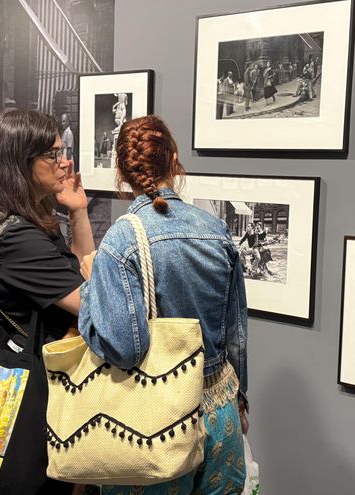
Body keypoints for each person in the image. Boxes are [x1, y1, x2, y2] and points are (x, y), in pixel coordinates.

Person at [78, 115, 248, 494]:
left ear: (120, 172)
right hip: (219, 410)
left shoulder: (119, 242)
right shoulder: (214, 229)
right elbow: (235, 329)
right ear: (175, 162)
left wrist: (92, 289)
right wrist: (240, 402)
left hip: (156, 422)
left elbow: (123, 348)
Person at [0, 108, 92, 494]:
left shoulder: (18, 219)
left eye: (62, 150)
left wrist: (78, 210)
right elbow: (94, 301)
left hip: (38, 384)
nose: (64, 161)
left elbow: (81, 270)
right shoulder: (18, 239)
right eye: (53, 154)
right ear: (22, 161)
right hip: (37, 397)